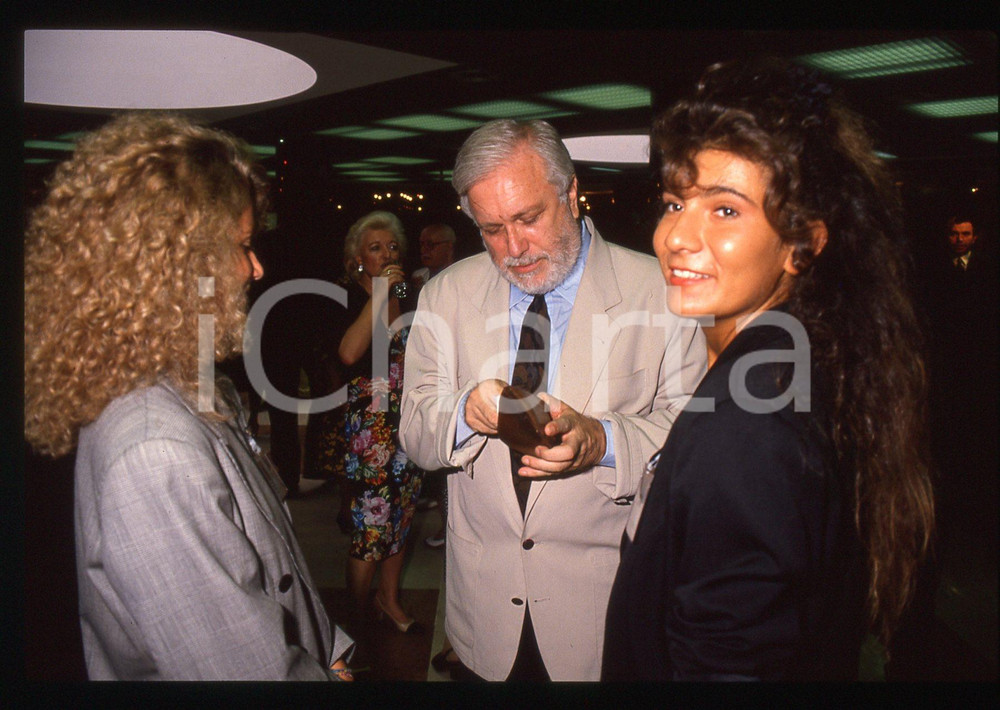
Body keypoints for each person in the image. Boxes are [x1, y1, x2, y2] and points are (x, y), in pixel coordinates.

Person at [601, 58, 935, 681]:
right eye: (675, 203)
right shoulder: (808, 357)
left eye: (725, 210)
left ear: (801, 245)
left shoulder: (749, 427)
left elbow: (730, 663)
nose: (677, 236)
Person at [23, 113, 354, 680]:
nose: (256, 267)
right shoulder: (153, 449)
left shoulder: (169, 379)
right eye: (243, 245)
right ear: (176, 264)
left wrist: (329, 645)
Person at [399, 119, 702, 681]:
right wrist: (464, 408)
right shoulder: (446, 293)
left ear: (570, 192)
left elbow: (695, 437)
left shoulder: (660, 292)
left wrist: (604, 440)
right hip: (481, 617)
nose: (513, 249)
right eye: (491, 229)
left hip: (607, 616)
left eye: (528, 219)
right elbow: (415, 430)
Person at [331, 210, 426, 644]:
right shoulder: (346, 297)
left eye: (392, 247)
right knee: (371, 526)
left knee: (401, 518)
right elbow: (350, 353)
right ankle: (355, 617)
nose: (387, 254)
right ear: (357, 260)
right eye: (376, 248)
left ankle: (388, 601)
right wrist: (380, 292)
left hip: (405, 420)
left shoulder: (407, 295)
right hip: (371, 429)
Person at [412, 222, 457, 289]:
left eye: (430, 244)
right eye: (422, 244)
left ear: (449, 247)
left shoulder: (460, 276)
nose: (423, 250)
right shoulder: (419, 276)